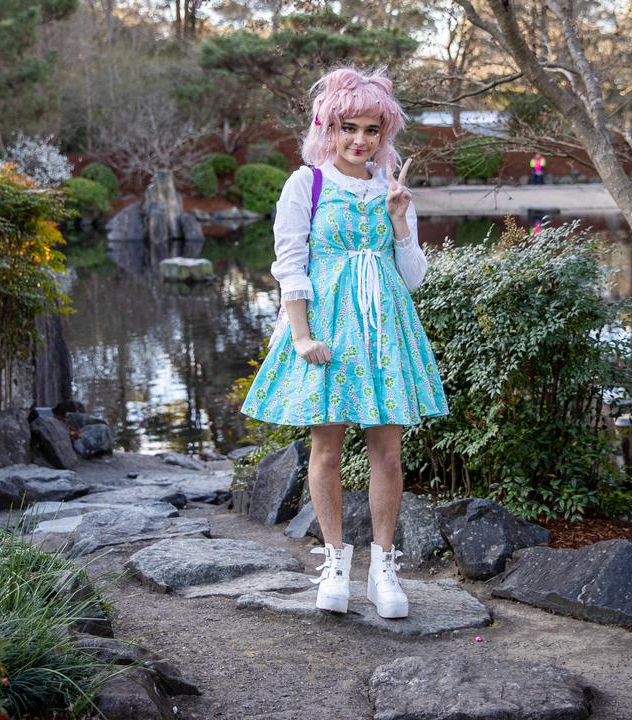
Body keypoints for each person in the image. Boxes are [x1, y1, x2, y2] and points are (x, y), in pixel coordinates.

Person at [240, 66, 449, 620]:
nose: (360, 140)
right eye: (348, 128)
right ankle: (334, 560)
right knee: (326, 448)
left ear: (386, 134)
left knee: (388, 451)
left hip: (384, 332)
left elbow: (413, 278)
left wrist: (401, 222)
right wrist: (302, 335)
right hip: (328, 331)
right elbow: (290, 265)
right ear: (326, 129)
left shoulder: (392, 190)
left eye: (372, 130)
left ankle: (384, 566)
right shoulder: (305, 184)